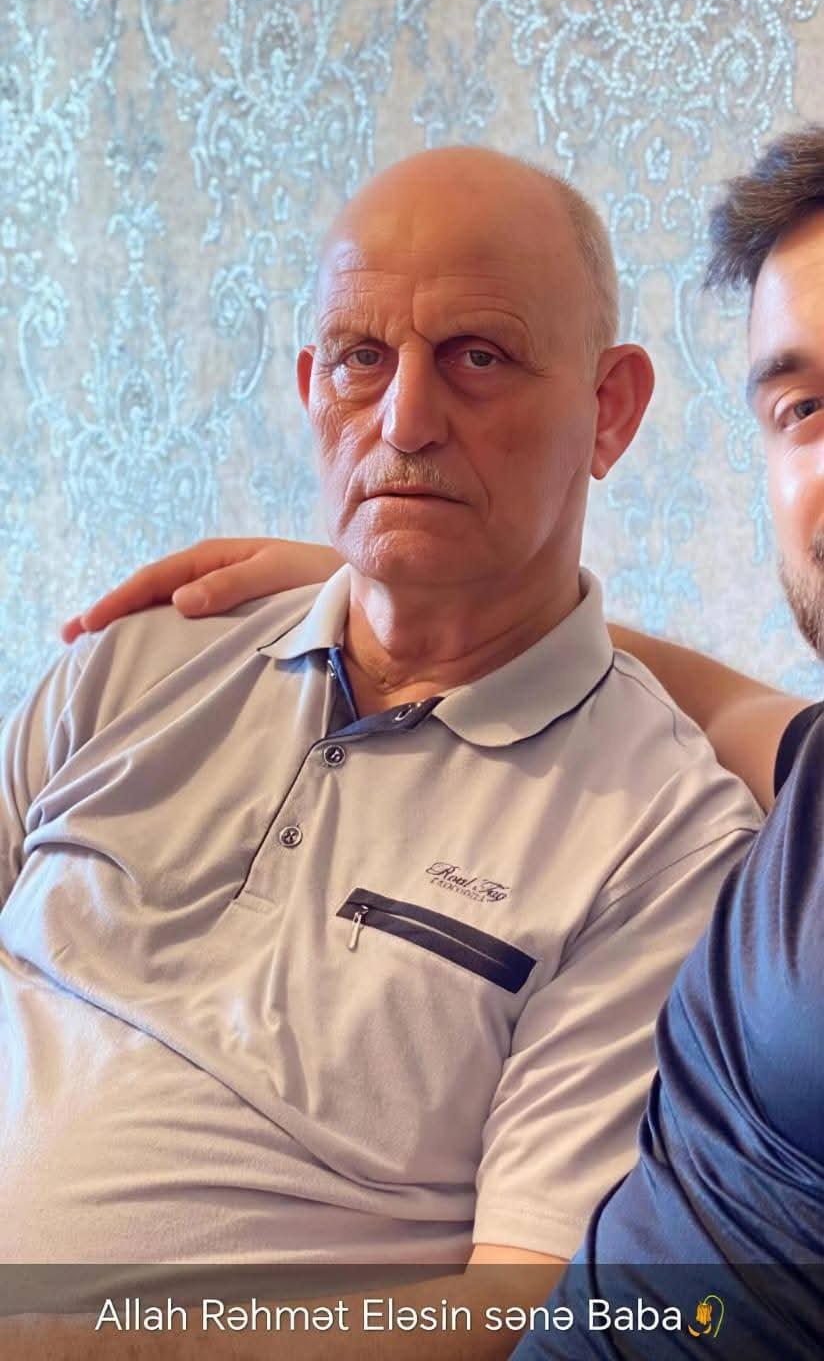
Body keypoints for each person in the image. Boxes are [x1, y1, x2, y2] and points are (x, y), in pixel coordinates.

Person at [0, 147, 761, 1359]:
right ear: (312, 387)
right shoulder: (132, 660)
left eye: (477, 357)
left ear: (609, 409)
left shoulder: (661, 836)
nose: (404, 420)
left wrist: (92, 1342)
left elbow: (520, 1301)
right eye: (361, 357)